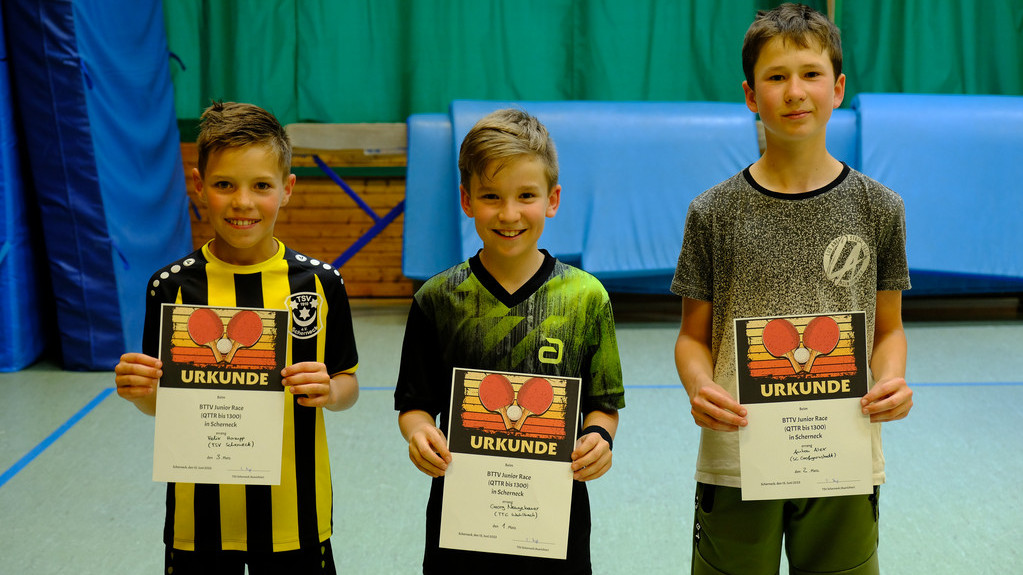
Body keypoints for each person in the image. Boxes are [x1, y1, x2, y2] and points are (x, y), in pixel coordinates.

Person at [672, 4, 913, 574]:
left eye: (810, 74)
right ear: (751, 95)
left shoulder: (880, 207)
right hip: (737, 457)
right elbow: (691, 338)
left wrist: (892, 380)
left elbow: (889, 330)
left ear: (838, 88)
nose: (795, 91)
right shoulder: (712, 212)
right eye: (776, 77)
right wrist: (700, 386)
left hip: (842, 457)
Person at [114, 101, 359, 574]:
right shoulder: (171, 287)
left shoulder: (320, 284)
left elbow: (348, 384)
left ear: (287, 189)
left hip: (294, 515)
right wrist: (139, 391)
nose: (243, 202)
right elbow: (161, 405)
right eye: (225, 184)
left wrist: (330, 391)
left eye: (261, 186)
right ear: (199, 185)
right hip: (198, 521)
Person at [394, 108, 626, 574]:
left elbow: (603, 405)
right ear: (466, 200)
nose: (509, 214)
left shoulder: (587, 298)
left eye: (526, 196)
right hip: (461, 524)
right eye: (491, 197)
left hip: (554, 524)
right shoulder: (437, 299)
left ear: (552, 199)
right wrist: (419, 433)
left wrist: (599, 438)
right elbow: (414, 404)